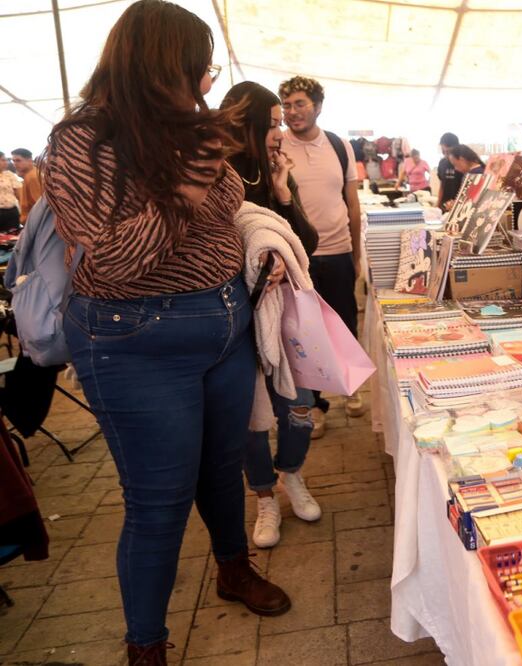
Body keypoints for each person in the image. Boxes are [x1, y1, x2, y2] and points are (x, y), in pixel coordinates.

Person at [42, 2, 291, 662]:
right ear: (161, 66)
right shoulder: (81, 141)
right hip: (135, 338)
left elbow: (230, 201)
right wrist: (189, 177)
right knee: (159, 501)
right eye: (197, 68)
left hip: (222, 323)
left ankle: (233, 569)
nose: (205, 83)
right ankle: (145, 645)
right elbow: (117, 260)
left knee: (220, 468)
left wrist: (207, 172)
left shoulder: (183, 133)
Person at [219, 81, 322, 549]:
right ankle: (263, 494)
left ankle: (292, 474)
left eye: (283, 122)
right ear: (249, 123)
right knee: (251, 416)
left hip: (287, 317)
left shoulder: (275, 172)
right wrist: (255, 259)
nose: (281, 131)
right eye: (274, 123)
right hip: (235, 317)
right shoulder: (214, 173)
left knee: (300, 404)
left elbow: (309, 243)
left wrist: (282, 193)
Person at [278, 75, 364, 434]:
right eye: (286, 105)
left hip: (339, 249)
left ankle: (351, 387)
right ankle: (316, 404)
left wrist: (356, 253)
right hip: (299, 258)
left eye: (299, 104)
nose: (292, 111)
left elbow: (352, 203)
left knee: (344, 323)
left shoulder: (339, 144)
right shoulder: (277, 146)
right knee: (307, 331)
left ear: (317, 106)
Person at [10, 148, 41, 224]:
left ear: (30, 160)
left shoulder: (32, 177)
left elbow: (39, 205)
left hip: (34, 222)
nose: (15, 164)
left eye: (18, 160)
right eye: (13, 161)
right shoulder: (30, 174)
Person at [436, 132, 462, 210]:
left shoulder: (462, 163)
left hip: (458, 207)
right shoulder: (442, 163)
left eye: (448, 151)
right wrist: (437, 205)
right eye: (443, 151)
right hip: (444, 206)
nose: (446, 155)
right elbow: (442, 186)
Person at [0, 153, 19, 232]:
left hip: (11, 211)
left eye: (6, 160)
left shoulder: (10, 175)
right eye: (3, 160)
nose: (6, 162)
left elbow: (18, 194)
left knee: (11, 238)